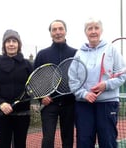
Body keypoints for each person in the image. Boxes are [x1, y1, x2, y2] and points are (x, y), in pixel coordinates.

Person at [69, 17, 126, 148]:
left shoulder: (111, 50)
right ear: (85, 32)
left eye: (96, 28)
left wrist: (106, 85)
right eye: (90, 28)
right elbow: (73, 80)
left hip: (107, 104)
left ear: (101, 30)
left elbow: (122, 74)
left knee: (108, 142)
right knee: (84, 143)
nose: (93, 31)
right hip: (84, 105)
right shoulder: (79, 54)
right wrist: (84, 94)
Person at [0, 29, 33, 148]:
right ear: (4, 45)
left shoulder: (27, 65)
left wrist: (24, 99)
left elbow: (34, 87)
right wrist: (1, 103)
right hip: (2, 114)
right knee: (4, 145)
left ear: (19, 44)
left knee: (20, 144)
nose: (11, 44)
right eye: (8, 41)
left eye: (14, 41)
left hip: (23, 113)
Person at [33, 19, 77, 148]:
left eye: (60, 29)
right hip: (49, 104)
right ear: (50, 33)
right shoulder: (42, 54)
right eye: (54, 29)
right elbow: (35, 80)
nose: (58, 32)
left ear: (65, 31)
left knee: (68, 138)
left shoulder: (75, 53)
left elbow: (79, 77)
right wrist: (41, 97)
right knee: (48, 139)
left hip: (69, 103)